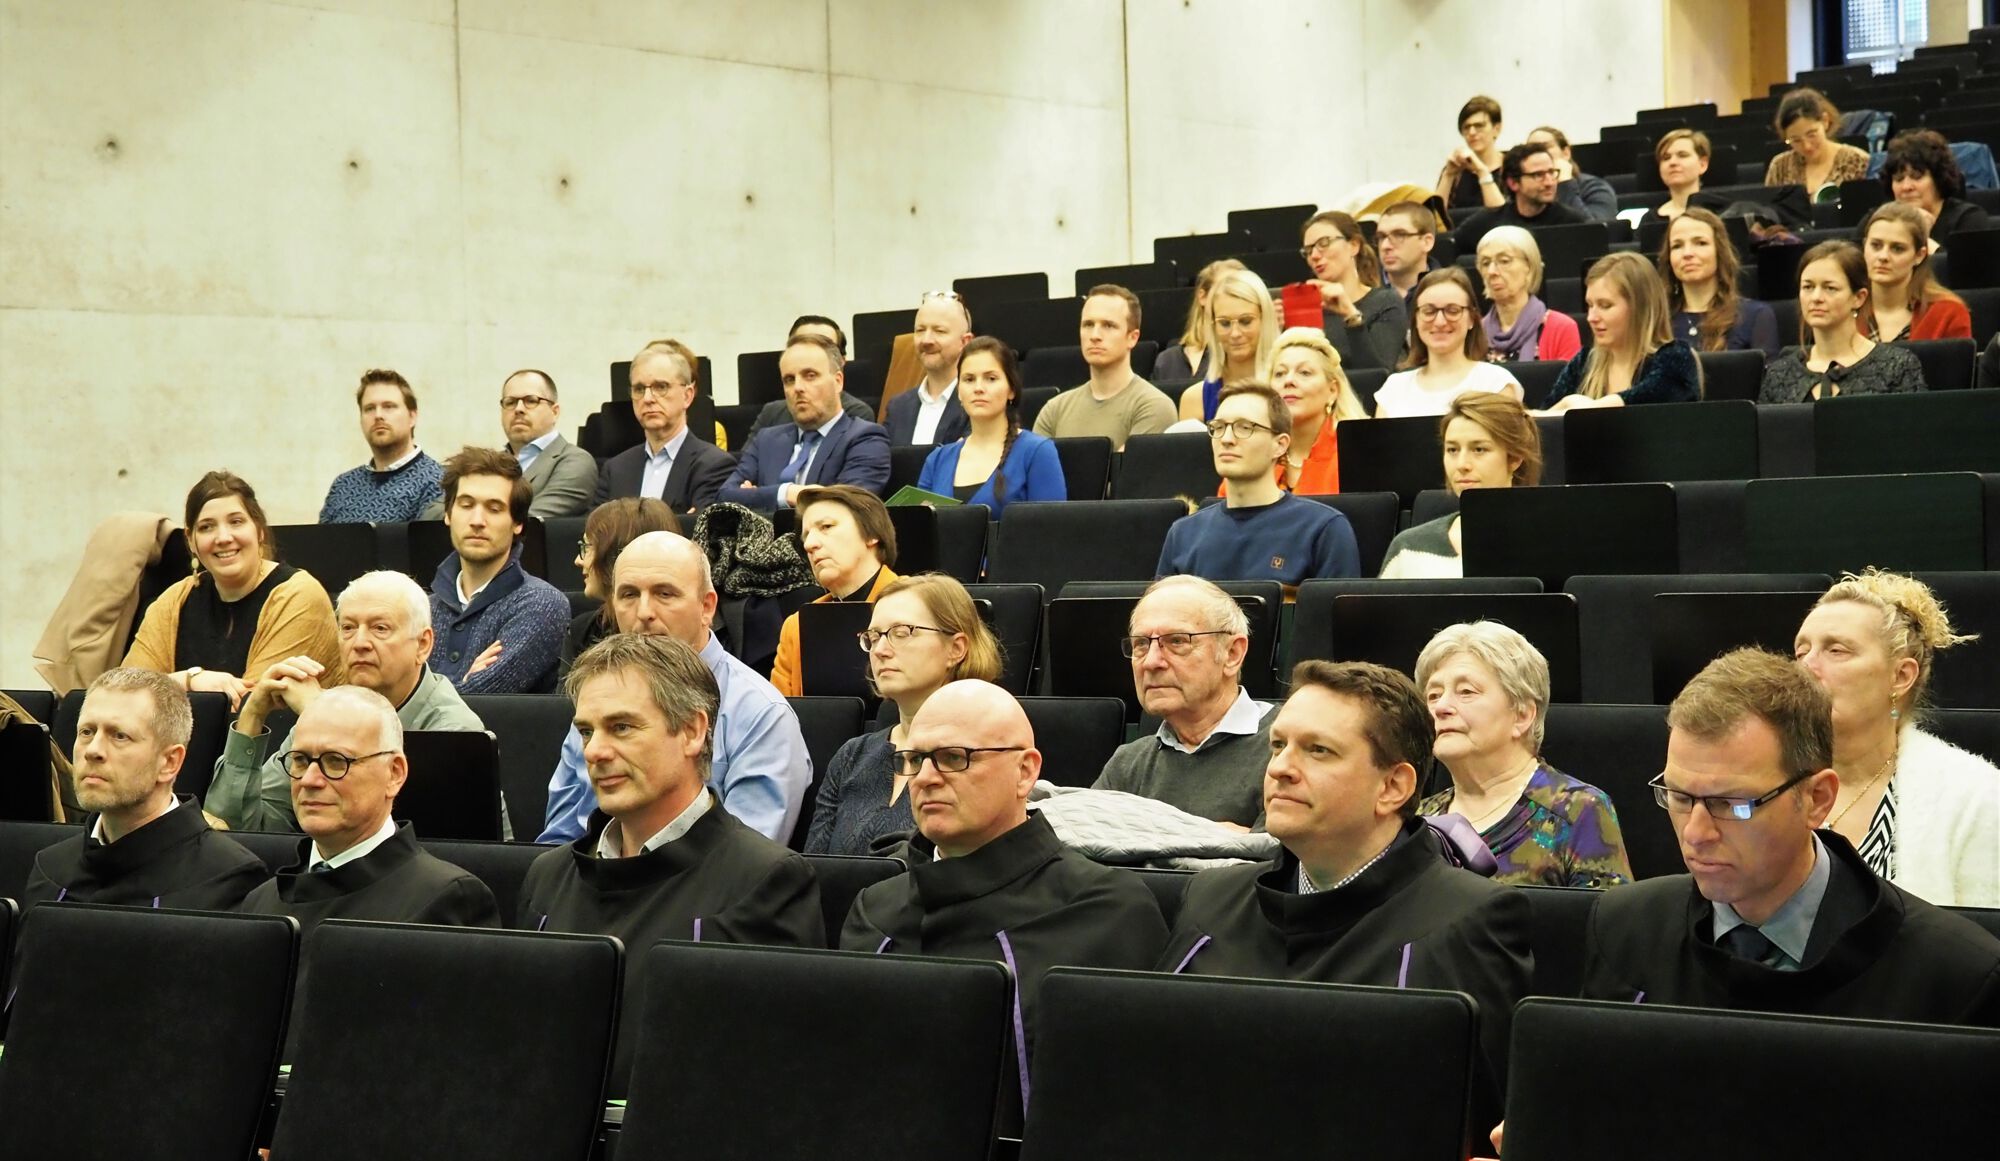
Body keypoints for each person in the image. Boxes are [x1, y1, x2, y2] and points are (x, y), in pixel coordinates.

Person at [1160, 660, 1533, 1132]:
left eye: (1318, 750)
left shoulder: (1467, 921)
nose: (1280, 769)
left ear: (1393, 786)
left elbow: (1483, 1128)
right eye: (1278, 745)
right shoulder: (1209, 901)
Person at [1580, 648, 2000, 1026]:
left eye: (1731, 804)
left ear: (1817, 799)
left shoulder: (1954, 976)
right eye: (1679, 797)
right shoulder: (1623, 932)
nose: (1697, 833)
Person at [840, 679, 1169, 1118]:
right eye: (915, 759)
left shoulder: (1108, 910)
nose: (927, 778)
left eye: (955, 758)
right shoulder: (875, 910)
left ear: (1025, 772)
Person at [521, 633, 824, 1093]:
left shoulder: (765, 881)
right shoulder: (548, 876)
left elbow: (772, 1079)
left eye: (622, 727)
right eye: (586, 731)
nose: (595, 752)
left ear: (692, 731)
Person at [539, 531, 812, 845]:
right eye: (628, 595)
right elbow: (558, 840)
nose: (644, 613)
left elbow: (745, 864)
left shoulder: (760, 714)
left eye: (664, 594)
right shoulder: (598, 703)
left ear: (706, 607)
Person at [206, 570, 487, 834]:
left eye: (380, 628)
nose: (360, 642)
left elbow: (390, 839)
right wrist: (252, 716)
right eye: (348, 628)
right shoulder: (324, 713)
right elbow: (234, 829)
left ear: (423, 644)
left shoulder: (455, 730)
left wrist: (327, 719)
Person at [1794, 570, 1997, 907]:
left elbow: (1984, 945)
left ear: (1900, 677)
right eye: (1801, 651)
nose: (1806, 667)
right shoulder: (1764, 783)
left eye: (1836, 650)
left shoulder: (1976, 797)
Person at [239, 685, 500, 933]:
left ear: (394, 774)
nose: (309, 779)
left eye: (336, 761)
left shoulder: (445, 899)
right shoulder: (259, 904)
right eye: (300, 760)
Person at [22, 668, 268, 909]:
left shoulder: (226, 878)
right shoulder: (49, 868)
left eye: (119, 736)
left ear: (169, 762)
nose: (93, 750)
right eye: (86, 732)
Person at [1415, 621, 1632, 887]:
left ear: (1522, 715)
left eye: (1466, 692)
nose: (1441, 707)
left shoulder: (1578, 811)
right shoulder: (1416, 821)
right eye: (1433, 695)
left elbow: (1607, 926)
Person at [806, 573, 1004, 855]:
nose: (880, 650)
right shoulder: (852, 755)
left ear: (956, 648)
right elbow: (814, 869)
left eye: (901, 633)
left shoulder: (986, 753)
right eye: (873, 638)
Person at [125, 470, 343, 709]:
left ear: (259, 530)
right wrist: (188, 680)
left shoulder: (298, 595)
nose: (223, 537)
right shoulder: (174, 600)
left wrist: (160, 692)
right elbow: (122, 695)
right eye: (207, 527)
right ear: (190, 541)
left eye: (236, 522)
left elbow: (251, 706)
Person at [1093, 576, 1276, 828]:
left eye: (1177, 641)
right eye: (1141, 644)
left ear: (1232, 654)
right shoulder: (1128, 764)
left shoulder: (1287, 744)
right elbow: (1085, 856)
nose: (1151, 662)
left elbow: (1279, 859)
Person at [1157, 384, 1360, 589]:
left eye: (1245, 427)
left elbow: (1334, 618)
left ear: (1280, 444)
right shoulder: (1183, 533)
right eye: (1218, 427)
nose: (1226, 439)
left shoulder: (1323, 528)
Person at [427, 446, 569, 694]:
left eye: (494, 509)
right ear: (448, 514)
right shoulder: (422, 608)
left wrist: (426, 689)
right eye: (466, 505)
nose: (477, 521)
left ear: (518, 523)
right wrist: (464, 683)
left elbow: (483, 700)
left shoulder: (542, 604)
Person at [1379, 393, 1541, 579]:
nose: (1462, 464)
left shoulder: (1549, 543)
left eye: (1479, 449)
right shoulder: (1408, 548)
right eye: (1452, 450)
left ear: (1515, 458)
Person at [724, 333, 892, 511]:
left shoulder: (866, 438)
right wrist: (788, 493)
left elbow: (844, 506)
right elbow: (724, 497)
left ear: (838, 381)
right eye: (789, 380)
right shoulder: (767, 440)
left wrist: (757, 497)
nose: (797, 388)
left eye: (810, 376)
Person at [769, 484, 901, 697]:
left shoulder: (922, 608)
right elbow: (782, 716)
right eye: (805, 536)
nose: (810, 544)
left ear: (871, 535)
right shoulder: (796, 625)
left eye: (827, 527)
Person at [1760, 241, 1926, 403]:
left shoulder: (1897, 367)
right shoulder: (1779, 374)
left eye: (1830, 288)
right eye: (1808, 287)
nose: (1816, 298)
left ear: (1859, 298)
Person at [917, 337, 1065, 513]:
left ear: (1011, 390)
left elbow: (1051, 529)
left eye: (991, 378)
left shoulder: (1037, 451)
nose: (978, 388)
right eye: (969, 379)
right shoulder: (937, 460)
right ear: (959, 392)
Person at [423, 369, 594, 520]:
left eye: (531, 400)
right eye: (510, 402)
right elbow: (431, 513)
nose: (518, 409)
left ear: (554, 411)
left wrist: (463, 515)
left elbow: (531, 521)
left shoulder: (574, 461)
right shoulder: (489, 464)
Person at [593, 339, 738, 513]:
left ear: (687, 396)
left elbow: (702, 535)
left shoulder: (714, 464)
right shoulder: (615, 469)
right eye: (639, 389)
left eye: (661, 387)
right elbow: (593, 534)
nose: (647, 399)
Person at [1544, 252, 1701, 410]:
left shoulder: (1676, 357)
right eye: (1590, 306)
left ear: (1640, 309)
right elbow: (1542, 422)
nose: (1591, 317)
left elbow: (1649, 398)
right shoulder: (1584, 362)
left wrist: (1576, 407)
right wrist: (1565, 405)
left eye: (1605, 305)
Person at [1032, 284, 1178, 449]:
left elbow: (1127, 473)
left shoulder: (1154, 406)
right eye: (1088, 325)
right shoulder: (1054, 410)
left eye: (1108, 325)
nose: (1094, 336)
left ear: (1132, 337)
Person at [1375, 269, 1524, 417]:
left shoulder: (1495, 383)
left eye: (1453, 311)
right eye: (1429, 311)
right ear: (1416, 320)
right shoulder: (1394, 388)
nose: (1440, 322)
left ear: (1472, 319)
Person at [565, 497, 681, 671]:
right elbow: (567, 699)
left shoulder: (684, 630)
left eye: (588, 547)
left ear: (614, 555)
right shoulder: (583, 632)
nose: (578, 561)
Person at [319, 369, 443, 523]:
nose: (378, 415)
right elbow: (321, 545)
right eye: (369, 408)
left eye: (389, 406)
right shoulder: (342, 486)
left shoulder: (438, 482)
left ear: (412, 417)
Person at [1659, 207, 1781, 355]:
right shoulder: (1656, 321)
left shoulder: (1755, 315)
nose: (1687, 253)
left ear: (1719, 252)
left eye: (1700, 243)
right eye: (1677, 246)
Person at [1300, 211, 1409, 372]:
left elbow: (1377, 375)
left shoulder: (1385, 301)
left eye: (1324, 243)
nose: (1314, 255)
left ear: (1354, 245)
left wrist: (1351, 317)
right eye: (1308, 251)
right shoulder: (1307, 312)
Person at [745, 318, 878, 446]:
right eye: (802, 345)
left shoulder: (856, 413)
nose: (809, 353)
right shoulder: (772, 412)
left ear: (841, 361)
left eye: (823, 346)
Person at [1266, 327, 1367, 494]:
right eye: (1280, 373)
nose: (1289, 380)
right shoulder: (1254, 450)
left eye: (1304, 373)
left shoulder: (1359, 452)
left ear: (1332, 391)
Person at [1860, 201, 1971, 342]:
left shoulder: (1948, 312)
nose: (1883, 256)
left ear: (1919, 255)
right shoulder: (1842, 308)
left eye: (1897, 248)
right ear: (1864, 247)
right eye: (1876, 246)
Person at [1176, 267, 1277, 422]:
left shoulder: (1289, 391)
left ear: (1265, 319)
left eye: (1246, 321)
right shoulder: (1195, 400)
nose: (1235, 333)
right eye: (1224, 323)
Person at [1452, 142, 1589, 251]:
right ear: (1513, 183)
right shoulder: (1491, 222)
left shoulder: (1572, 222)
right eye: (1538, 175)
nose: (1549, 182)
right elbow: (1450, 246)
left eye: (1551, 172)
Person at [1476, 226, 1583, 364]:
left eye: (1504, 261)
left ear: (1530, 267)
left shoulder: (1561, 328)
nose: (1492, 271)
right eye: (1485, 263)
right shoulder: (1475, 333)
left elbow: (1569, 385)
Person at [882, 291, 973, 447]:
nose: (926, 340)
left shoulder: (977, 402)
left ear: (965, 342)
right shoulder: (898, 407)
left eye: (939, 331)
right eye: (920, 330)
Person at [1881, 128, 1992, 248]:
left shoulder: (1968, 219)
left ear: (1938, 178)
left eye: (1917, 177)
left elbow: (1961, 266)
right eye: (1898, 179)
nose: (1906, 187)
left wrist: (1922, 236)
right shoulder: (1879, 219)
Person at [1764, 88, 1869, 202]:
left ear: (1825, 121)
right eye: (1796, 140)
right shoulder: (1780, 167)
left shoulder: (1857, 161)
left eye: (1812, 135)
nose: (1806, 146)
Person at [1151, 259, 1244, 386]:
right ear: (1202, 297)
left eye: (1239, 293)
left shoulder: (1241, 355)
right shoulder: (1167, 361)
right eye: (1224, 290)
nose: (1231, 299)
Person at [1525, 126, 1618, 222]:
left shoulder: (1595, 187)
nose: (1538, 155)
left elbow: (1594, 230)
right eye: (1531, 150)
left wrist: (1565, 184)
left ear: (1566, 153)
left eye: (1544, 147)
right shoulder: (1526, 192)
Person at [1436, 95, 1507, 213]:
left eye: (1479, 126)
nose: (1472, 132)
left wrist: (1482, 172)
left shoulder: (1512, 165)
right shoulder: (1456, 171)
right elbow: (1436, 217)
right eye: (1466, 127)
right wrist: (1448, 175)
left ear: (1496, 129)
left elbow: (1501, 216)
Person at [1375, 201, 1440, 310]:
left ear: (1426, 242)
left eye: (1400, 235)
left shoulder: (1449, 291)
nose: (1385, 246)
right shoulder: (1362, 291)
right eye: (1381, 237)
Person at [1650, 128, 1713, 221]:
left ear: (1702, 164)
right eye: (1666, 158)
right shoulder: (1649, 220)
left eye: (1682, 155)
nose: (1673, 162)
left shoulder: (1724, 212)